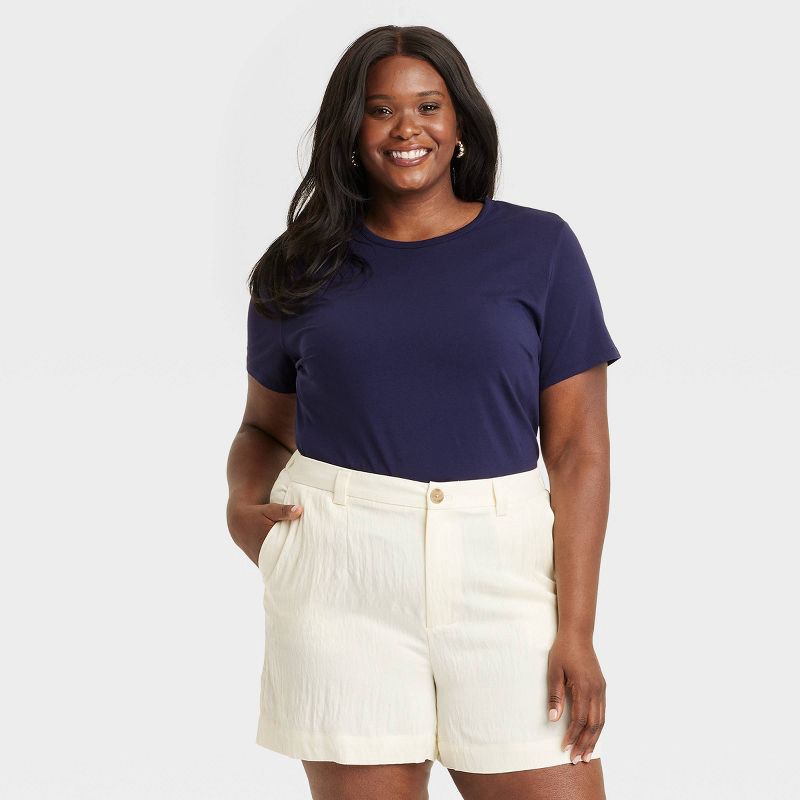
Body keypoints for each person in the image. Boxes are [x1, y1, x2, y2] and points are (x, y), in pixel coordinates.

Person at [226, 24, 620, 800]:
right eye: (380, 110)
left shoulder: (540, 249)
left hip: (503, 576)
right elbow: (262, 428)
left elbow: (578, 450)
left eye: (428, 105)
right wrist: (244, 507)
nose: (407, 128)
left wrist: (576, 630)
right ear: (350, 132)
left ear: (459, 122)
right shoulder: (298, 266)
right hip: (341, 575)